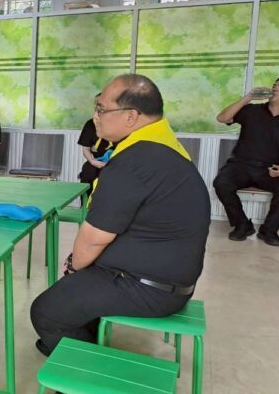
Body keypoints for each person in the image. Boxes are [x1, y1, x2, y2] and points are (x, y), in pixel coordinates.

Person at [31, 74, 210, 355]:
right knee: (74, 293)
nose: (96, 117)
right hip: (168, 278)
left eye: (101, 109)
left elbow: (94, 238)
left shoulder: (135, 162)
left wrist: (74, 267)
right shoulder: (163, 146)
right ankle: (78, 337)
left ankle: (88, 368)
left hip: (148, 287)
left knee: (46, 312)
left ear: (131, 116)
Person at [213, 77, 279, 246]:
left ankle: (269, 231)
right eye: (274, 85)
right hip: (241, 165)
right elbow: (222, 118)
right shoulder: (252, 110)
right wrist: (248, 98)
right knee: (222, 183)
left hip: (271, 170)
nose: (275, 88)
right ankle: (242, 225)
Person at [77, 93, 117, 195]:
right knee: (88, 171)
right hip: (96, 161)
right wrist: (93, 161)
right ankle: (87, 202)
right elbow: (86, 149)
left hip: (115, 161)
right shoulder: (90, 124)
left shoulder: (118, 123)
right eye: (97, 104)